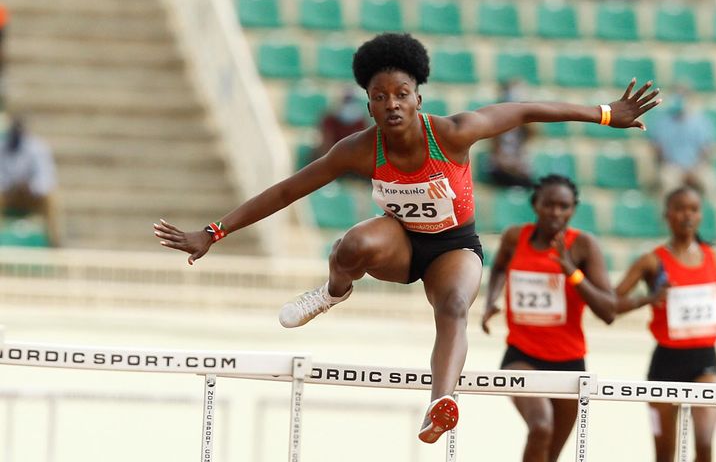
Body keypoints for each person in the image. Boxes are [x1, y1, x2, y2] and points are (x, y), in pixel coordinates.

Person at [153, 32, 660, 444]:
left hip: (454, 245)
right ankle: (333, 291)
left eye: (401, 94)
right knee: (350, 247)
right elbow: (288, 189)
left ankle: (441, 404)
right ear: (368, 106)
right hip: (400, 242)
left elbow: (526, 110)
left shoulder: (455, 133)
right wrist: (215, 231)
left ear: (418, 98)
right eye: (380, 97)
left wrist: (605, 113)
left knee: (456, 304)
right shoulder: (358, 148)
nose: (392, 104)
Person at [481, 174, 616, 462]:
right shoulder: (515, 237)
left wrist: (572, 272)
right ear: (536, 205)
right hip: (521, 355)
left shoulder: (582, 246)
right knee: (541, 426)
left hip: (569, 363)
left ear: (573, 209)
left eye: (564, 206)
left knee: (551, 454)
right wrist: (491, 300)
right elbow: (499, 268)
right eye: (549, 205)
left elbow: (608, 311)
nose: (556, 212)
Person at [614, 186, 716, 462]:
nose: (687, 215)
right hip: (665, 362)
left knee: (705, 443)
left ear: (700, 215)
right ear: (667, 215)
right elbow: (613, 302)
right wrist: (650, 298)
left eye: (694, 209)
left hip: (705, 361)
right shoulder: (652, 261)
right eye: (680, 208)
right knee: (664, 454)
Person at [647, 87, 716, 197]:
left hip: (697, 167)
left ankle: (714, 213)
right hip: (672, 167)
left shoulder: (701, 123)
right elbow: (658, 151)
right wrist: (673, 167)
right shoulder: (662, 123)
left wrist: (694, 169)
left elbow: (707, 150)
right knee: (668, 182)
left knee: (712, 183)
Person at [0, 113, 61, 246]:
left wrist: (31, 187)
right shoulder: (3, 147)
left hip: (31, 196)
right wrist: (10, 187)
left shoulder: (37, 147)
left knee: (50, 200)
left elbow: (46, 179)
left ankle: (55, 244)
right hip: (8, 195)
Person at [486, 80, 535, 189]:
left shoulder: (525, 125)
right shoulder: (496, 120)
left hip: (518, 168)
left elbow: (532, 137)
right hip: (501, 169)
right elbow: (496, 152)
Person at [311, 88, 369, 163]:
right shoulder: (329, 120)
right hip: (330, 162)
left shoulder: (360, 121)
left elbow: (363, 146)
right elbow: (326, 145)